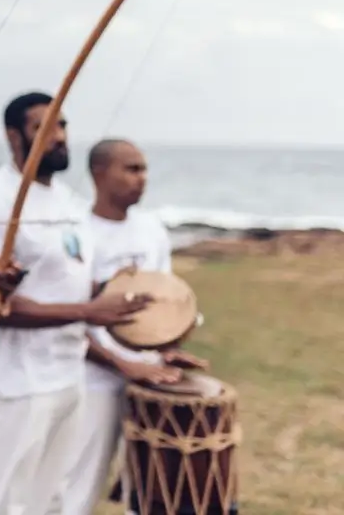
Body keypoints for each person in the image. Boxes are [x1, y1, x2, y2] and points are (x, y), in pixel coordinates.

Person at [0, 91, 151, 515]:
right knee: (6, 501)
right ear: (13, 136)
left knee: (53, 499)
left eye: (62, 125)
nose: (59, 137)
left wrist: (125, 297)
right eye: (44, 127)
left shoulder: (68, 201)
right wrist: (87, 312)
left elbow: (78, 286)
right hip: (18, 383)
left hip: (67, 375)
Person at [64, 138, 208, 515]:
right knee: (76, 488)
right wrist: (122, 364)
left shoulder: (151, 230)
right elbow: (71, 317)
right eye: (131, 169)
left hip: (148, 379)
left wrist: (167, 350)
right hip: (91, 379)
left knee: (147, 492)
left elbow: (166, 307)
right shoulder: (76, 231)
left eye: (143, 169)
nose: (142, 178)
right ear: (99, 173)